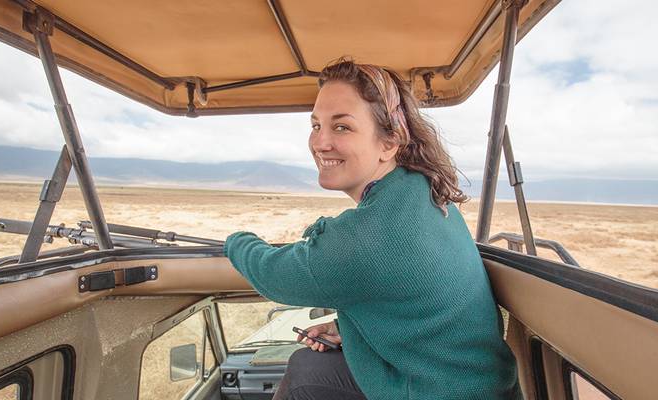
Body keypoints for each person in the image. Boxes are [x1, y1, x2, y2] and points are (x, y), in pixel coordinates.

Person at [223, 59, 522, 400]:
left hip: (436, 391)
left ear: (389, 143)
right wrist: (346, 329)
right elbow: (415, 306)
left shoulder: (370, 235)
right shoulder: (420, 191)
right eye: (316, 125)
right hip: (470, 383)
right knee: (306, 368)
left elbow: (274, 275)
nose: (320, 142)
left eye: (342, 128)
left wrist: (236, 241)